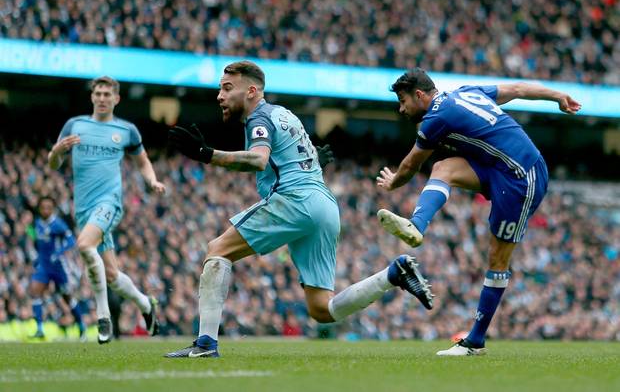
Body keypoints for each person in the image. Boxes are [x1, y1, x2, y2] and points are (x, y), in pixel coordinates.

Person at [165, 60, 433, 358]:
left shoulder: (260, 118)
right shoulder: (284, 114)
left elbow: (258, 160)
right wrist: (314, 161)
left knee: (217, 250)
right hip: (324, 205)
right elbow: (297, 158)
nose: (220, 96)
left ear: (251, 91)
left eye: (228, 88)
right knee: (322, 310)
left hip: (294, 200)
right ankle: (393, 274)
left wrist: (206, 154)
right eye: (220, 89)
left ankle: (205, 344)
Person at [375, 68, 581, 356]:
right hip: (497, 167)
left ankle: (475, 341)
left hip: (522, 177)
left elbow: (410, 165)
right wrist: (557, 95)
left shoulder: (435, 119)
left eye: (403, 101)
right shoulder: (465, 91)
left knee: (497, 259)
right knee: (443, 168)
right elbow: (519, 88)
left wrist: (392, 182)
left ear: (419, 95)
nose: (401, 108)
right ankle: (417, 226)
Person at [48, 76, 166, 344]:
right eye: (98, 93)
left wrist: (152, 180)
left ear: (116, 99)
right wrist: (57, 150)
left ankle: (103, 318)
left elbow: (143, 162)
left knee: (84, 245)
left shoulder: (126, 130)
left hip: (109, 203)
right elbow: (53, 163)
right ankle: (146, 304)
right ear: (92, 97)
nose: (102, 98)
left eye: (107, 94)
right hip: (84, 209)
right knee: (111, 275)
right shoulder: (74, 125)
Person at [29, 196, 86, 341]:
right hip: (43, 265)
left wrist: (59, 253)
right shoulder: (37, 223)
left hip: (58, 267)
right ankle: (40, 329)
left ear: (52, 208)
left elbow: (71, 240)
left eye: (48, 207)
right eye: (43, 207)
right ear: (40, 208)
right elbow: (36, 240)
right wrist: (36, 256)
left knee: (67, 297)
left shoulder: (58, 224)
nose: (46, 210)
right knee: (35, 291)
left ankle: (81, 326)